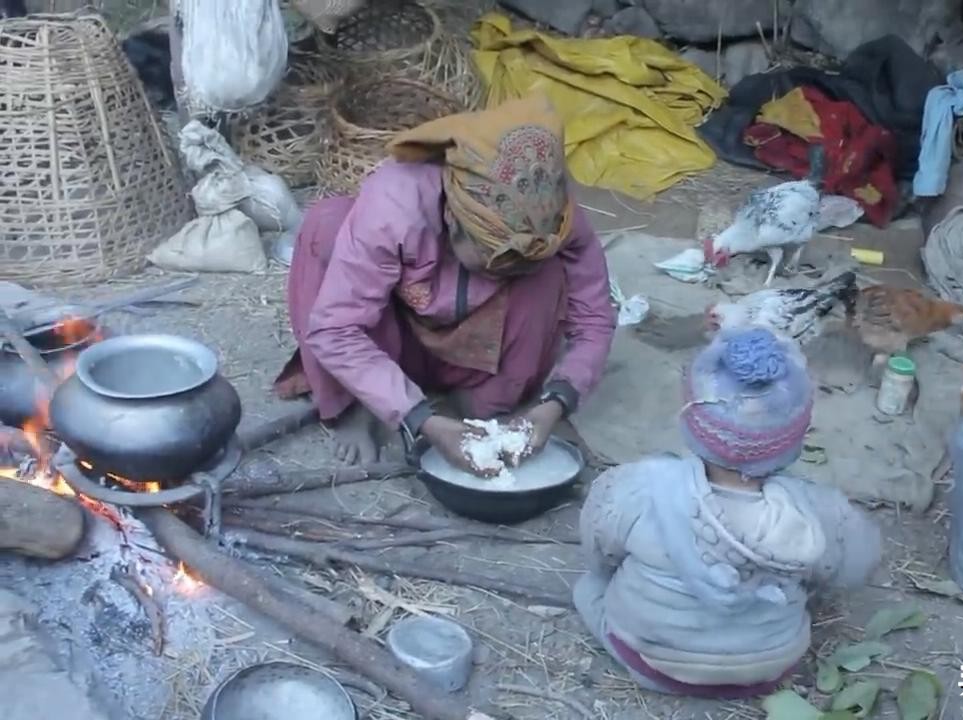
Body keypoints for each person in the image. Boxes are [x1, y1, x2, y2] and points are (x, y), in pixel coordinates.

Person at [274, 95, 617, 470]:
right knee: (327, 226)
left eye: (518, 264)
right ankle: (355, 406)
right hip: (398, 333)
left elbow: (594, 319)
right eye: (497, 261)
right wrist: (422, 421)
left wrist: (558, 399)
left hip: (481, 338)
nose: (509, 270)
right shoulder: (396, 204)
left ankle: (482, 399)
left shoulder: (554, 215)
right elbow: (336, 329)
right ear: (454, 220)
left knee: (547, 273)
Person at [573, 327, 882, 698]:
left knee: (589, 587)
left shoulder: (638, 487)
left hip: (651, 663)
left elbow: (599, 555)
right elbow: (856, 567)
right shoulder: (819, 510)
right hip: (772, 667)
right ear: (797, 437)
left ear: (690, 420)